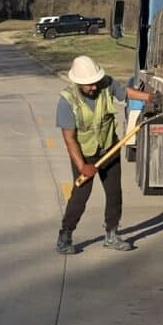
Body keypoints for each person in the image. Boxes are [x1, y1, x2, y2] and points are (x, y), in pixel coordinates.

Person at [55, 54, 132, 254]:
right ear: (78, 83)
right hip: (85, 155)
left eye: (95, 82)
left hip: (109, 148)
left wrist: (148, 97)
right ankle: (65, 235)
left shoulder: (106, 84)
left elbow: (126, 93)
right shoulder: (67, 102)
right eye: (88, 85)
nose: (93, 87)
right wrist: (82, 166)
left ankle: (112, 235)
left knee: (114, 194)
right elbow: (69, 139)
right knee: (80, 196)